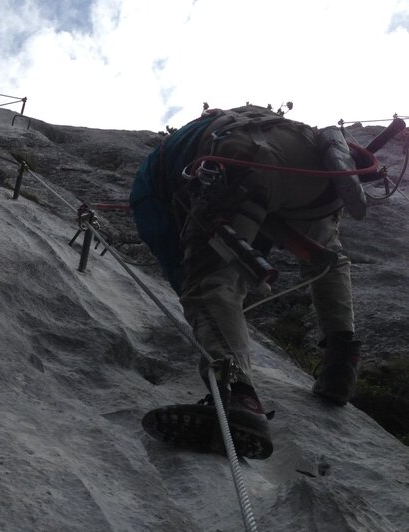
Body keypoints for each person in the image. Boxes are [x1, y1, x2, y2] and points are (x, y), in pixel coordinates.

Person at [140, 105, 362, 458]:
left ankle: (238, 395)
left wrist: (198, 287)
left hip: (248, 161)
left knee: (209, 280)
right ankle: (341, 362)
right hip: (317, 171)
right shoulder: (259, 118)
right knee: (327, 259)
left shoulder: (158, 164)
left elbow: (171, 246)